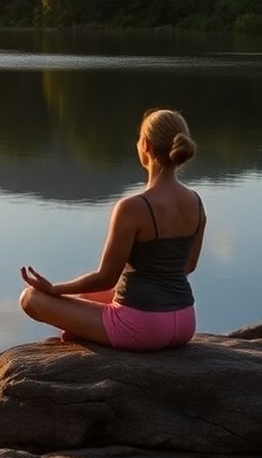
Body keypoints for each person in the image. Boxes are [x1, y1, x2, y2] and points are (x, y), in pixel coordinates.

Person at [18, 109, 205, 351]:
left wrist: (54, 289)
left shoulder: (133, 207)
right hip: (184, 322)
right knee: (86, 299)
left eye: (139, 138)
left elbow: (106, 277)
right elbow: (188, 266)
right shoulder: (196, 202)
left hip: (143, 328)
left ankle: (92, 332)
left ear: (145, 146)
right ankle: (88, 329)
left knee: (30, 299)